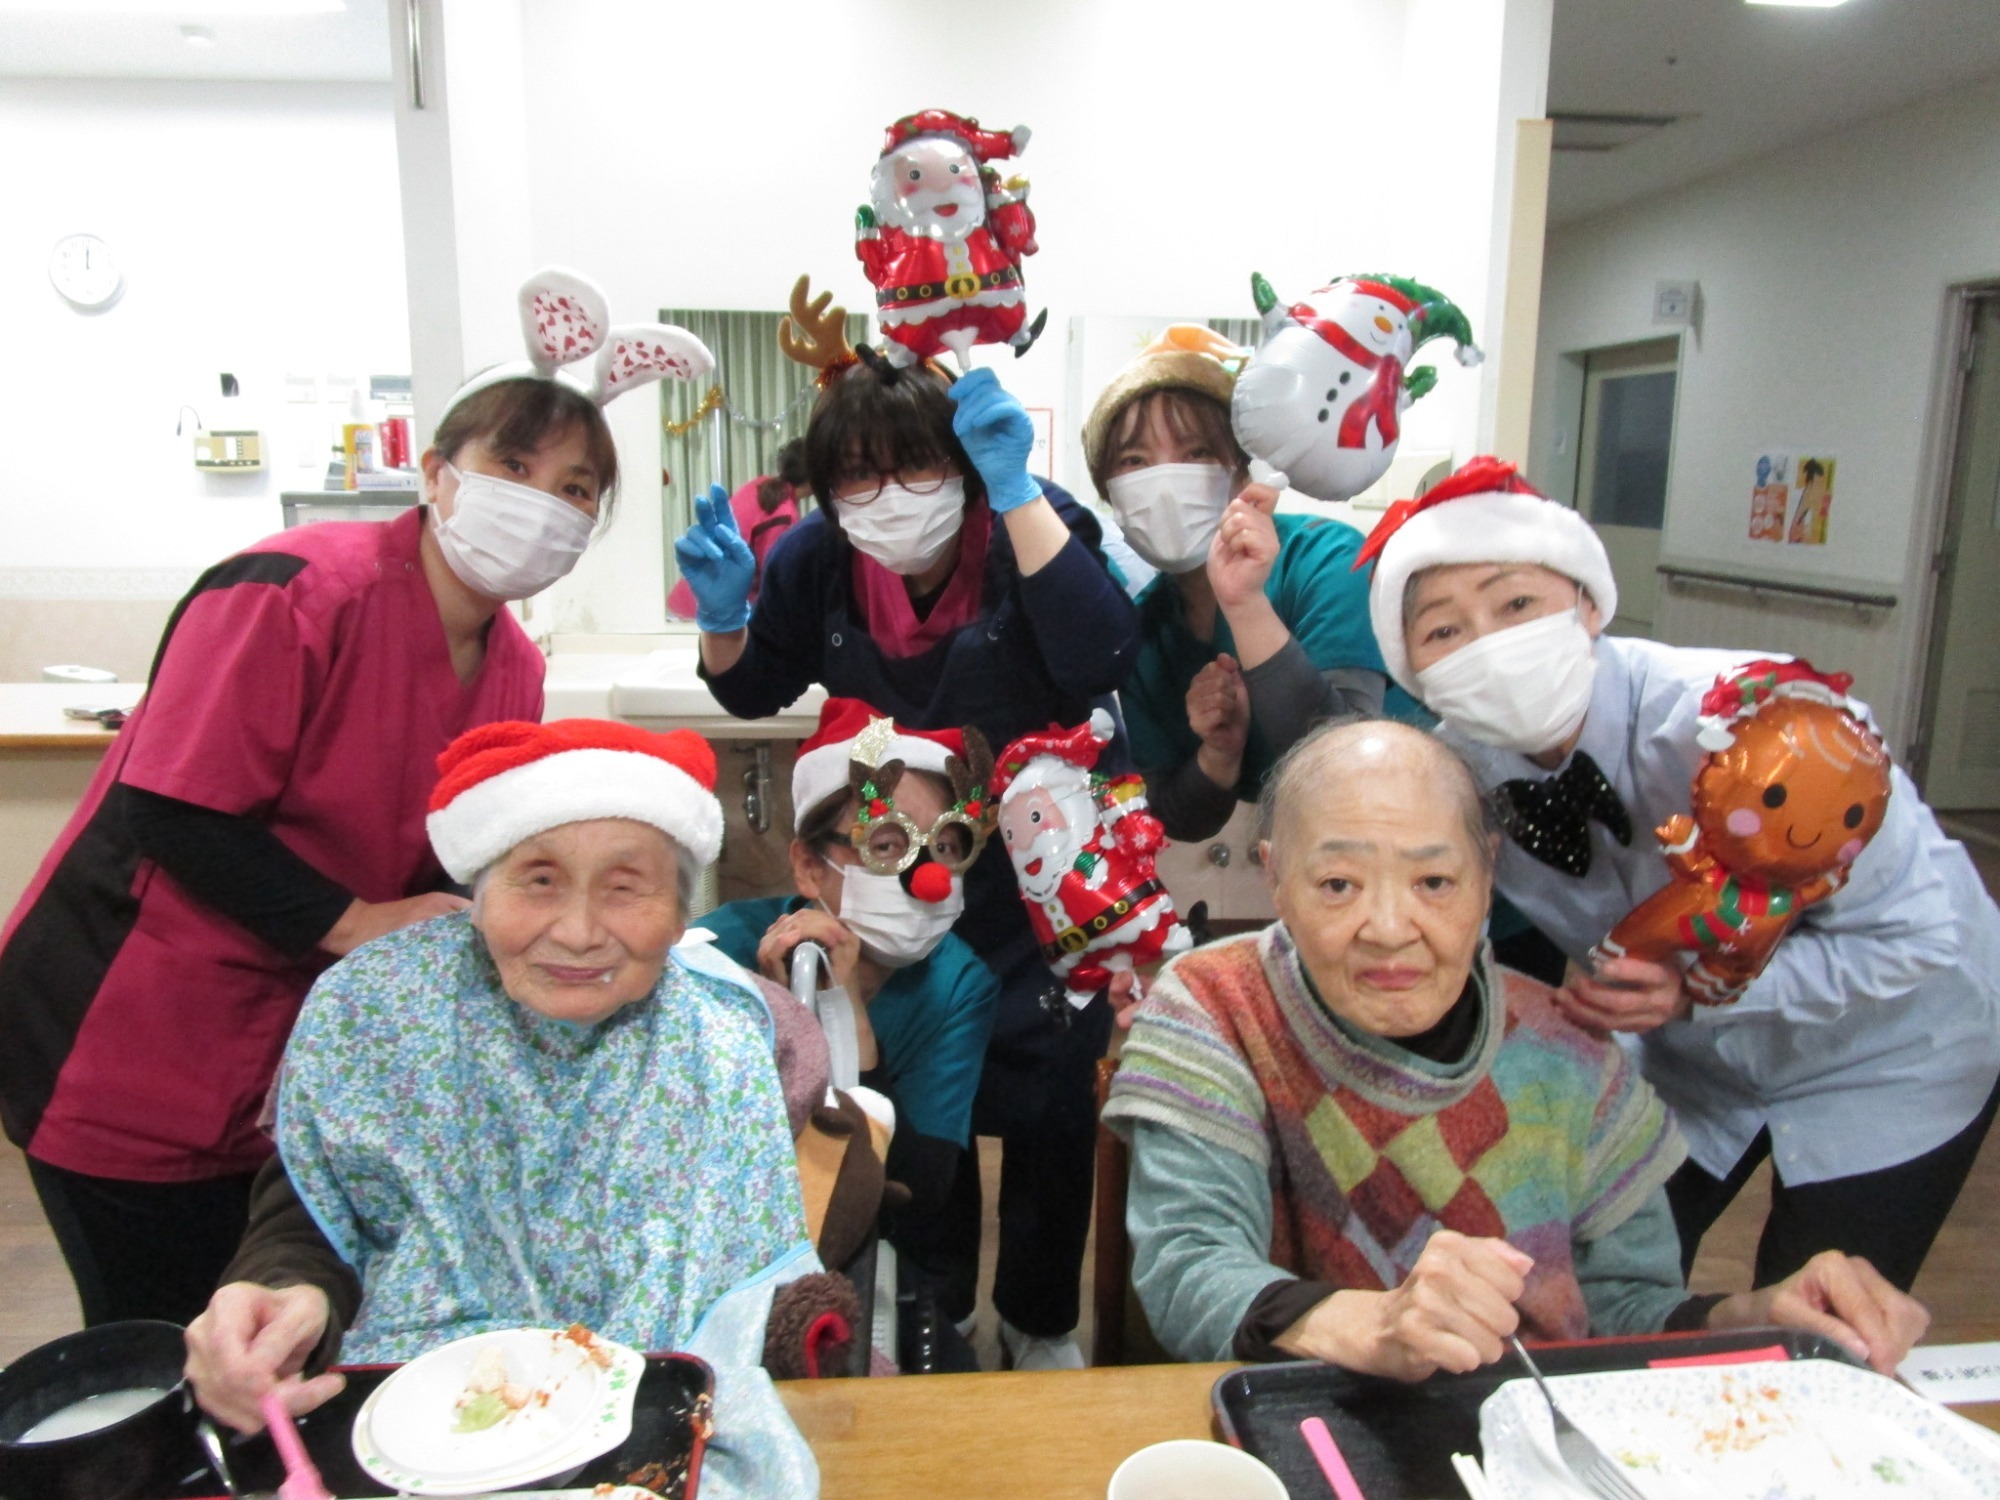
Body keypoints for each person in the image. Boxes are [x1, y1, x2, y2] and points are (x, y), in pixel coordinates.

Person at [0, 371, 625, 1327]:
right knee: (162, 1338)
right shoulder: (296, 590)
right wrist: (358, 921)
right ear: (436, 473)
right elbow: (173, 809)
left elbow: (453, 848)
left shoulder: (515, 668)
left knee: (279, 1320)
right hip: (132, 1030)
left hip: (294, 1053)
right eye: (513, 466)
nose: (542, 502)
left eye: (575, 489)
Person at [1105, 720, 1931, 1376]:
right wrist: (1379, 1324)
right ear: (1276, 878)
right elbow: (1189, 1268)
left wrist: (1750, 1317)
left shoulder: (1571, 1054)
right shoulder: (1215, 1005)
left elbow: (1625, 1313)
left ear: (1486, 873)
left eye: (1434, 882)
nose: (1388, 928)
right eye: (1337, 885)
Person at [1361, 456, 2000, 1292]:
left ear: (1587, 604)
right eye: (1444, 631)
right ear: (1412, 668)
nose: (1490, 644)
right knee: (1597, 1282)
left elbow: (1918, 937)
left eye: (1516, 604)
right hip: (1688, 1068)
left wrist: (1698, 992)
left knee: (1821, 1316)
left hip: (1893, 1052)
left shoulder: (1763, 724)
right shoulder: (1456, 775)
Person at [184, 720, 819, 1495]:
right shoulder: (378, 1014)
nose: (578, 933)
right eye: (539, 880)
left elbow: (749, 1279)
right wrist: (288, 1291)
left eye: (626, 887)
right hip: (411, 1412)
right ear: (478, 898)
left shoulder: (721, 1045)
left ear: (683, 912)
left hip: (645, 1421)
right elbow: (317, 1216)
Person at [676, 316, 1140, 1368]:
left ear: (963, 464)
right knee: (920, 1092)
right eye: (857, 476)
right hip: (893, 863)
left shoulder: (1029, 521)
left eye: (917, 466)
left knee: (1049, 1102)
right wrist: (722, 618)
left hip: (1034, 867)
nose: (887, 497)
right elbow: (752, 686)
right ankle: (940, 1308)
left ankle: (1039, 1318)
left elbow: (1100, 654)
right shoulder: (818, 558)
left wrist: (1014, 493)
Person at [1082, 327, 1402, 842]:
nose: (1166, 482)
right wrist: (1219, 755)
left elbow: (1346, 770)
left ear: (1242, 470)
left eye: (1196, 452)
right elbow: (1176, 817)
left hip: (1400, 827)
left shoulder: (1325, 558)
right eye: (1134, 461)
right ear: (1110, 493)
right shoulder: (1144, 627)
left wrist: (1245, 604)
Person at [700, 699, 999, 1239]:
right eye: (885, 845)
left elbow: (916, 1191)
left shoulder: (959, 985)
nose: (928, 878)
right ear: (809, 866)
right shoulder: (718, 954)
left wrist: (849, 1019)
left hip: (885, 1246)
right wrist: (780, 1020)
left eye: (945, 845)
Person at [666, 439, 809, 621]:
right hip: (707, 614)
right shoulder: (784, 514)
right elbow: (775, 582)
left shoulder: (761, 485)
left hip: (687, 602)